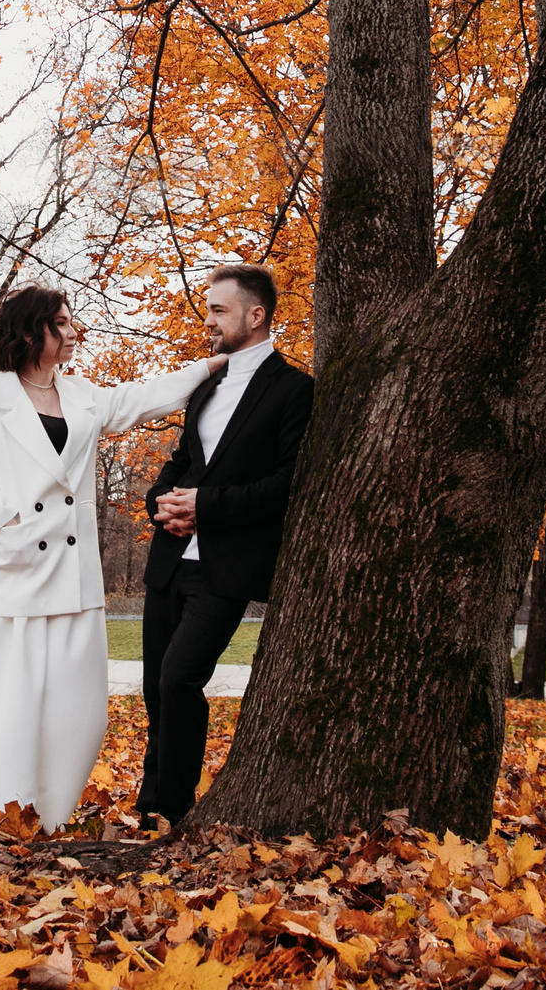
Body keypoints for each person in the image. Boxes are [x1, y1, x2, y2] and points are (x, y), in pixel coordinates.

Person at [0, 284, 224, 831]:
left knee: (77, 712)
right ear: (31, 332)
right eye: (63, 323)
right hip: (9, 576)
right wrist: (10, 523)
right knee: (0, 708)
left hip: (72, 583)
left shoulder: (83, 397)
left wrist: (211, 366)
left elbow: (144, 397)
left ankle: (45, 819)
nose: (74, 332)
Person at [135, 264, 313, 830]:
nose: (208, 320)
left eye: (218, 310)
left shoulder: (294, 389)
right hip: (170, 559)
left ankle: (174, 808)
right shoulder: (207, 383)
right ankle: (151, 806)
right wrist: (161, 503)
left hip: (227, 566)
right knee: (153, 688)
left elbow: (289, 483)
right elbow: (181, 463)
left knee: (179, 678)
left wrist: (205, 509)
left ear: (255, 316)